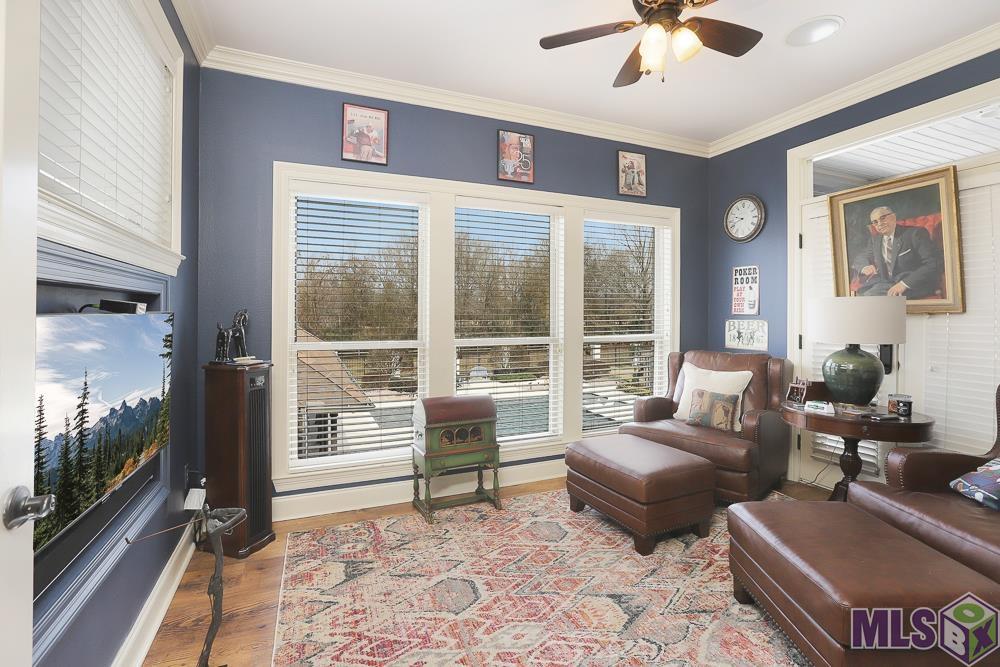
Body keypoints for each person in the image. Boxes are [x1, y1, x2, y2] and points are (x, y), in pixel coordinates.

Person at [853, 205, 942, 299]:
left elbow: (933, 264)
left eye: (883, 218)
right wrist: (865, 267)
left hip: (914, 284)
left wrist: (904, 284)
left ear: (893, 217)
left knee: (869, 298)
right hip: (886, 284)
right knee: (861, 295)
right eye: (875, 222)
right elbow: (861, 257)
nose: (879, 224)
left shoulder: (915, 234)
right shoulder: (875, 240)